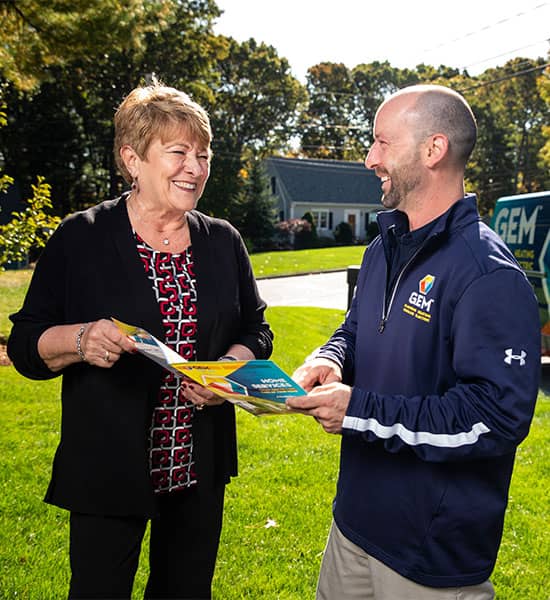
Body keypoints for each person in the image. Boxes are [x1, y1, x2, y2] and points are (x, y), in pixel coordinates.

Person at [7, 80, 273, 599]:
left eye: (203, 154)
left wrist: (226, 371)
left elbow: (256, 330)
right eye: (178, 152)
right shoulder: (80, 237)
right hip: (109, 465)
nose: (194, 168)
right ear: (132, 158)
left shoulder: (222, 240)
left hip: (198, 464)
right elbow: (24, 345)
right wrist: (81, 339)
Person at [287, 84, 540, 599]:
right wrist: (331, 359)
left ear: (433, 149)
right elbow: (356, 328)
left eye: (381, 142)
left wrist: (358, 411)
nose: (369, 158)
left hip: (428, 554)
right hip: (353, 527)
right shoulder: (383, 246)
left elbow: (496, 418)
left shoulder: (487, 274)